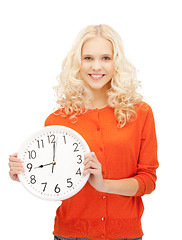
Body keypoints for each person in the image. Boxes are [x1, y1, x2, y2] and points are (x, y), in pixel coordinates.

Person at [9, 24, 159, 240]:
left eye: (106, 58)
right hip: (71, 234)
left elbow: (148, 181)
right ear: (77, 63)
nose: (96, 66)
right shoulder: (56, 120)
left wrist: (103, 184)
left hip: (125, 234)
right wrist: (26, 175)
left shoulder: (140, 113)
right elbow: (55, 180)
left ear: (117, 62)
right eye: (88, 58)